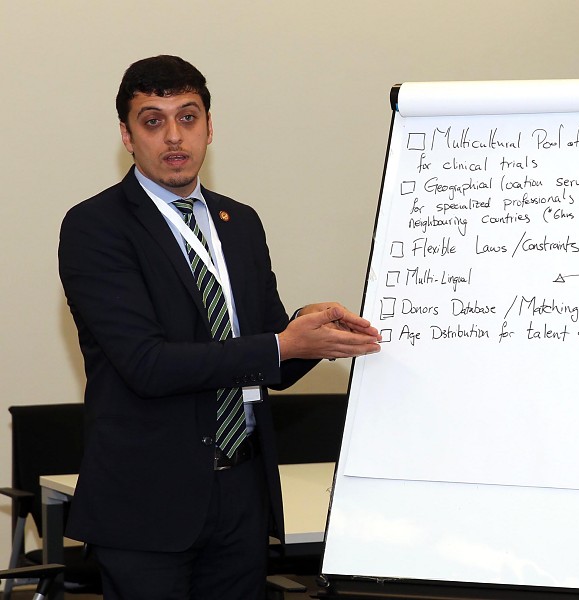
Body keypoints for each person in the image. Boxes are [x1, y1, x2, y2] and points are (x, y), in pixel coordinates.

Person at [58, 55, 381, 600]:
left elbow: (269, 362)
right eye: (153, 121)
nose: (174, 136)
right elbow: (147, 365)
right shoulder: (96, 227)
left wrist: (312, 334)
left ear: (210, 126)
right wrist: (282, 344)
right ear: (127, 136)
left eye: (188, 117)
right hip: (149, 503)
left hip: (242, 493)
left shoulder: (240, 222)